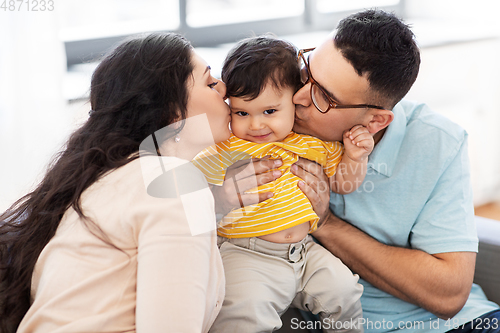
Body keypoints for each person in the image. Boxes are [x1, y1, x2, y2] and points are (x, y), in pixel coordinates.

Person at [214, 9, 500, 333]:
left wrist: (326, 223)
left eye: (323, 96)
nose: (298, 96)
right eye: (307, 70)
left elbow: (450, 293)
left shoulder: (439, 142)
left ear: (375, 121)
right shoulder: (264, 125)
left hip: (464, 324)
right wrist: (220, 199)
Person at [0, 32, 231, 333]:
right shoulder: (174, 186)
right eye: (210, 83)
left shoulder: (110, 178)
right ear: (174, 113)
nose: (226, 88)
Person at [194, 35, 366, 332]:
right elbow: (190, 197)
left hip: (305, 252)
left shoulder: (311, 144)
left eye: (270, 112)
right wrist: (218, 194)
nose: (256, 125)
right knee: (244, 313)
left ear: (295, 102)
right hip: (247, 253)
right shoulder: (226, 147)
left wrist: (355, 156)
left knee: (344, 291)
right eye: (242, 113)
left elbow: (342, 183)